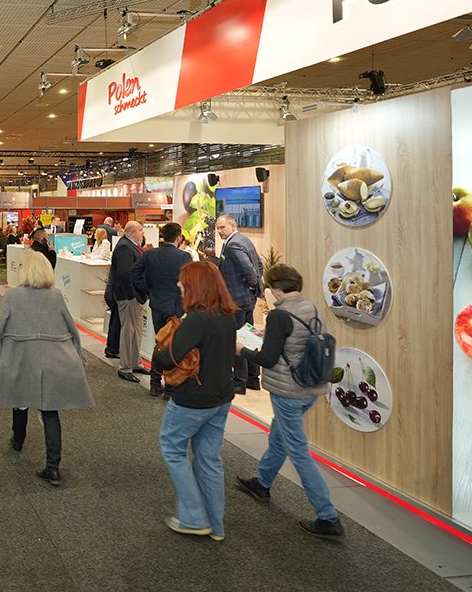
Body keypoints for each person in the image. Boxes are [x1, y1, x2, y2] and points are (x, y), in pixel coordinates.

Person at [236, 265, 347, 541]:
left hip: (288, 392)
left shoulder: (279, 315)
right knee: (279, 437)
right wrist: (268, 335)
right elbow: (298, 343)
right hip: (311, 388)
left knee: (298, 451)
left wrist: (242, 350)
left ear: (275, 289)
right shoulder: (313, 308)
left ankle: (328, 516)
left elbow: (267, 359)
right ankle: (262, 482)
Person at [0, 251, 93, 487]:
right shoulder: (56, 295)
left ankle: (18, 440)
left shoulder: (13, 296)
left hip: (21, 357)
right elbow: (71, 327)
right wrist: (79, 354)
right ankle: (53, 467)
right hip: (54, 359)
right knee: (49, 411)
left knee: (19, 399)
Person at [153, 262, 238, 541]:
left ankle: (193, 518)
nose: (179, 285)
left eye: (184, 281)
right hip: (221, 399)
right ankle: (216, 526)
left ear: (196, 286)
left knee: (172, 448)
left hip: (193, 401)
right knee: (209, 460)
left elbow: (167, 359)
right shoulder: (227, 315)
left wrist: (159, 351)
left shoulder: (197, 320)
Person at [131, 222, 193, 397]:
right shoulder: (184, 256)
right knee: (173, 346)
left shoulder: (150, 254)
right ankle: (170, 387)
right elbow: (191, 281)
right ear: (179, 238)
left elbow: (134, 272)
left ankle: (155, 382)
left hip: (157, 305)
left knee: (160, 343)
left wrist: (148, 289)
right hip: (176, 307)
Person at [216, 215, 265, 394]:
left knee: (237, 340)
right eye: (217, 228)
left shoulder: (233, 244)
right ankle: (253, 378)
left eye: (222, 227)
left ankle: (239, 381)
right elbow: (260, 265)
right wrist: (252, 290)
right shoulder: (243, 239)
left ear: (233, 225)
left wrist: (251, 286)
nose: (219, 231)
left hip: (237, 301)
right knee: (249, 338)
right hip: (246, 300)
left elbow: (250, 270)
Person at [109, 220, 150, 383]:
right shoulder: (125, 247)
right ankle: (125, 367)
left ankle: (135, 362)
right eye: (141, 230)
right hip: (128, 298)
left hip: (136, 296)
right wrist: (131, 295)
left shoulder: (132, 245)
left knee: (136, 331)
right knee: (128, 332)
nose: (143, 233)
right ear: (132, 232)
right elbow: (124, 274)